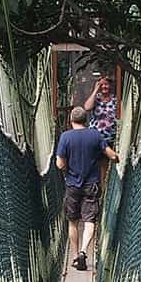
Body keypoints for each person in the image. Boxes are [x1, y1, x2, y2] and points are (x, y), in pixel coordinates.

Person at [56, 106, 120, 271]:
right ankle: (84, 251)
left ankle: (76, 255)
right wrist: (117, 157)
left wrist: (67, 169)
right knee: (90, 220)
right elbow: (111, 155)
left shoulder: (65, 137)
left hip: (72, 185)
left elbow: (60, 163)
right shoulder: (95, 135)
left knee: (73, 222)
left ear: (71, 120)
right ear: (86, 120)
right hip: (92, 185)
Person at [83, 74, 118, 144]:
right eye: (101, 85)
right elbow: (87, 107)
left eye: (106, 84)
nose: (104, 87)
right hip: (95, 137)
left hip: (110, 138)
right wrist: (95, 90)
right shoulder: (96, 98)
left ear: (110, 85)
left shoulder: (115, 100)